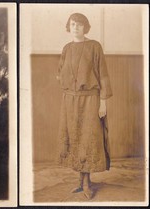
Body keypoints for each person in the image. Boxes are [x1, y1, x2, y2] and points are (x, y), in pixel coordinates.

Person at [57, 13, 112, 200]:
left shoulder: (94, 46)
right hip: (70, 101)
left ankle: (87, 182)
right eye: (73, 24)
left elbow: (103, 75)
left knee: (88, 138)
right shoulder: (66, 48)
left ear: (85, 27)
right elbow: (60, 73)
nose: (76, 27)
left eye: (80, 24)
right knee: (75, 137)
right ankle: (80, 182)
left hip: (90, 100)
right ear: (69, 26)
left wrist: (102, 101)